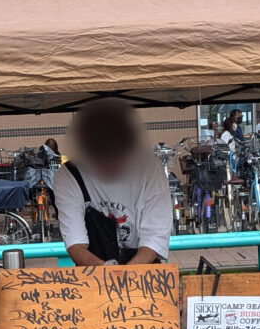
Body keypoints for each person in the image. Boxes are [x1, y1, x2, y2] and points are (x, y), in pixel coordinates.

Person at [52, 99, 172, 266]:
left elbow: (155, 237)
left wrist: (125, 275)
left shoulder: (150, 169)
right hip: (92, 271)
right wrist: (107, 272)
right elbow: (75, 245)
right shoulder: (69, 176)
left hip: (144, 270)